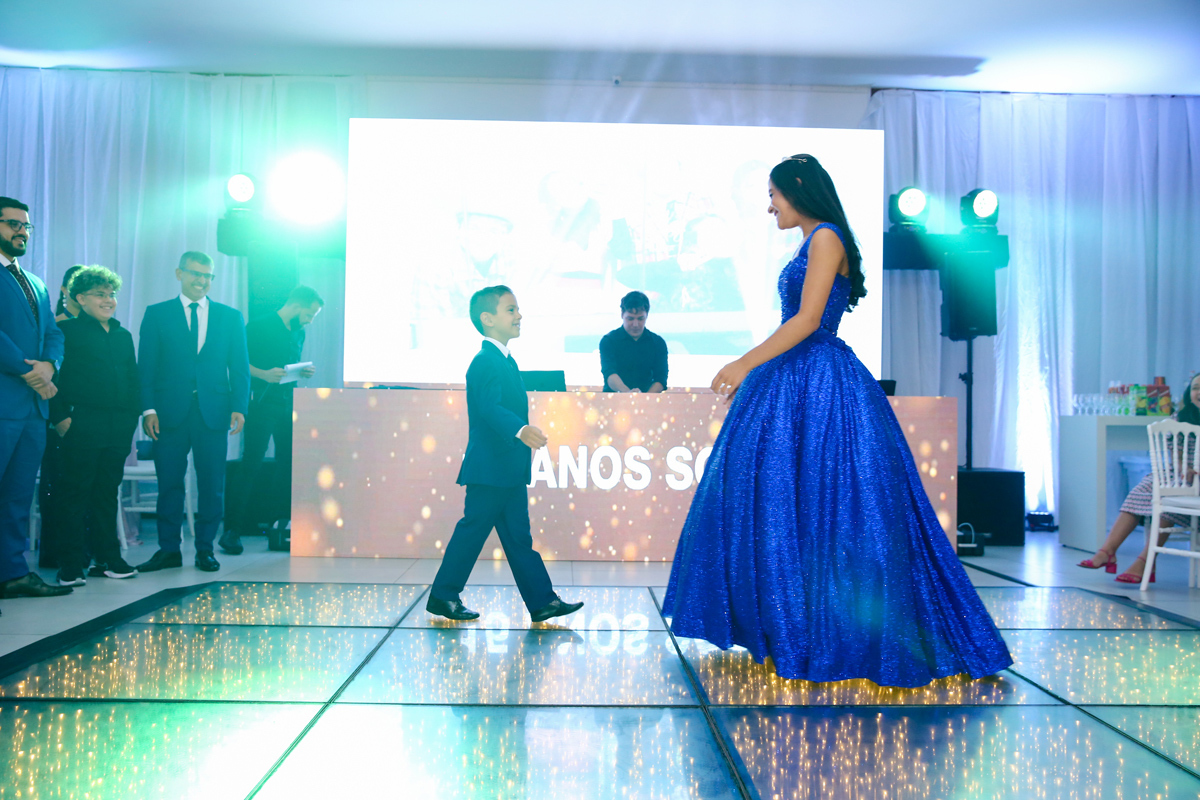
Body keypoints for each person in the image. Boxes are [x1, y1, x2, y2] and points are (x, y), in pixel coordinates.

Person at [662, 156, 1012, 688]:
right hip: (798, 377)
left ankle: (821, 637)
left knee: (821, 509)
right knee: (789, 509)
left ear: (799, 189)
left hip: (817, 379)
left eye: (774, 194)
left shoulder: (826, 237)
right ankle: (790, 632)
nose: (770, 206)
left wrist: (744, 363)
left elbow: (807, 320)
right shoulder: (813, 240)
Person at [426, 285, 583, 622]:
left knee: (517, 538)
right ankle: (443, 596)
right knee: (473, 531)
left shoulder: (505, 361)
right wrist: (520, 429)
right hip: (490, 469)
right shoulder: (485, 361)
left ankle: (542, 602)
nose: (519, 315)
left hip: (506, 469)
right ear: (487, 318)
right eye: (511, 309)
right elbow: (489, 406)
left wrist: (519, 433)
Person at [136, 251, 250, 574]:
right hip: (167, 413)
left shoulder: (230, 317)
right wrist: (148, 409)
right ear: (180, 274)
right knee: (169, 483)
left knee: (212, 484)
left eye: (207, 275)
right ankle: (168, 550)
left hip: (214, 412)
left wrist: (240, 407)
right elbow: (146, 367)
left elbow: (239, 367)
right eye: (195, 273)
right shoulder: (157, 314)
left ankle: (205, 550)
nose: (201, 280)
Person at [0, 196, 73, 606]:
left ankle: (12, 574)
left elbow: (54, 334)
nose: (22, 231)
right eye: (13, 223)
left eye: (26, 225)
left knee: (17, 496)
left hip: (33, 410)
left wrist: (50, 365)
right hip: (5, 399)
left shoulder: (36, 282)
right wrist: (28, 370)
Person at [48, 266, 140, 585]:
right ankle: (71, 564)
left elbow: (132, 379)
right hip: (81, 422)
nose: (108, 300)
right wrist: (60, 418)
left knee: (106, 493)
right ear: (80, 298)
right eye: (100, 294)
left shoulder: (123, 335)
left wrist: (131, 418)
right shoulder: (65, 331)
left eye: (111, 294)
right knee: (74, 493)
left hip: (118, 426)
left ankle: (108, 559)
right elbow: (51, 377)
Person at [223, 285, 323, 554]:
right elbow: (237, 364)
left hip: (289, 403)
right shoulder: (258, 326)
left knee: (288, 464)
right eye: (309, 314)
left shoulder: (299, 332)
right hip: (261, 403)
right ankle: (232, 531)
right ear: (297, 305)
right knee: (251, 463)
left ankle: (281, 526)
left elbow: (289, 365)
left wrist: (302, 372)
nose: (310, 320)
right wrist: (265, 374)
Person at [1079, 371, 1200, 583]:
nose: (1199, 392)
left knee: (1166, 495)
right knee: (1150, 486)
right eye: (1196, 388)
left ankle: (1145, 561)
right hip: (1180, 477)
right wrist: (1183, 467)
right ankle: (1108, 550)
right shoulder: (1181, 417)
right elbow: (1175, 451)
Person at [38, 264, 87, 568]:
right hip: (57, 418)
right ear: (65, 290)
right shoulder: (56, 326)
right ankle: (54, 553)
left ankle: (83, 551)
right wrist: (59, 418)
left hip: (89, 420)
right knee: (56, 484)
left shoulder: (101, 328)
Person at [599, 291, 669, 393]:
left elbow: (661, 378)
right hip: (614, 399)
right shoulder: (609, 341)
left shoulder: (658, 343)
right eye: (630, 319)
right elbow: (609, 374)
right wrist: (629, 394)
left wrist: (644, 398)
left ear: (647, 316)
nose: (635, 324)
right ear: (622, 315)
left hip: (648, 400)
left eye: (640, 319)